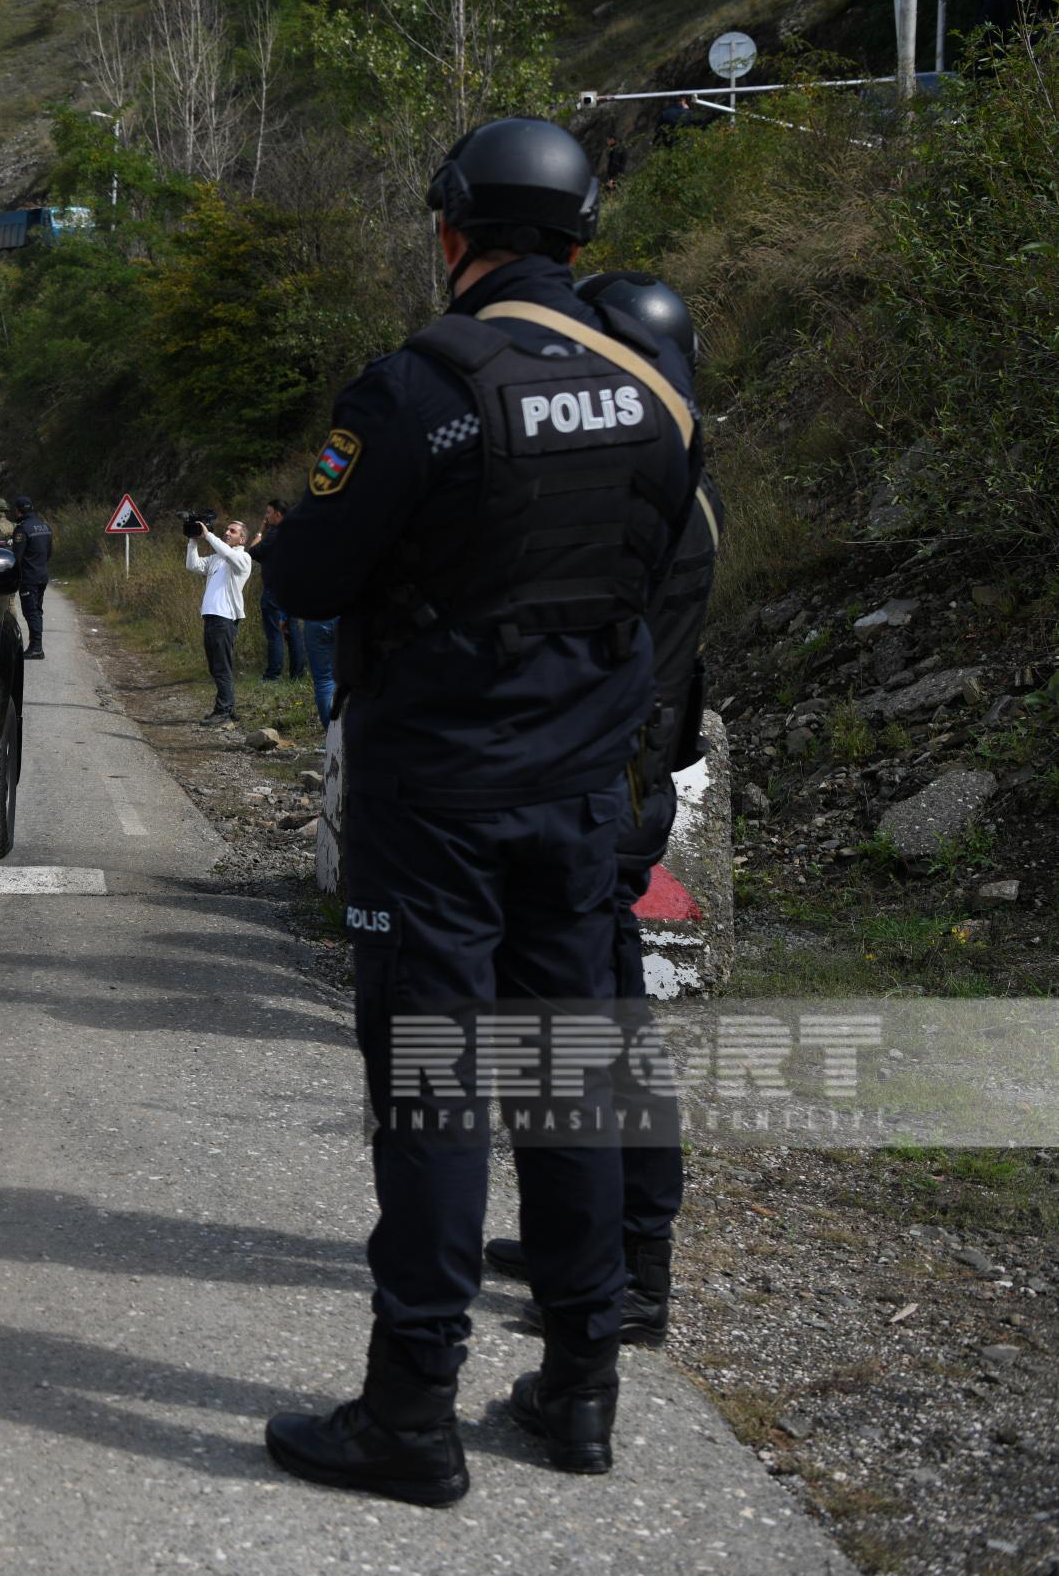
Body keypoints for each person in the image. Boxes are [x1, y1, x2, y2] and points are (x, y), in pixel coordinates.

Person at [257, 117, 701, 1507]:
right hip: (577, 801)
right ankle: (581, 1383)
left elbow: (308, 581)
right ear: (577, 238)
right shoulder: (657, 396)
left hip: (439, 803)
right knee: (570, 1078)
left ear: (454, 229)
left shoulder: (422, 388)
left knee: (438, 1098)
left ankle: (411, 1410)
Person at [485, 272, 723, 1353]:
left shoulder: (662, 491)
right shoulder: (671, 472)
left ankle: (635, 1261)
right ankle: (570, 1233)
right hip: (612, 777)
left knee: (605, 1034)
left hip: (610, 784)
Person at [184, 517, 250, 724]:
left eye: (233, 531)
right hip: (211, 617)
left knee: (222, 666)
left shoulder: (243, 558)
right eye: (226, 530)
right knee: (216, 667)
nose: (227, 533)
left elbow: (229, 554)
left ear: (242, 539)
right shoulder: (216, 558)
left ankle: (223, 710)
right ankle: (226, 708)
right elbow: (192, 565)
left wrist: (209, 535)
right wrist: (193, 540)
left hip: (225, 618)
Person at [253, 501, 303, 681]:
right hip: (292, 588)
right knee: (292, 630)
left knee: (275, 633)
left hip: (274, 591)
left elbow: (253, 551)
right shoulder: (295, 532)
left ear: (278, 515)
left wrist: (260, 531)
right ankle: (297, 674)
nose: (265, 517)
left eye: (268, 513)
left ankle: (273, 674)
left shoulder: (275, 533)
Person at [11, 496, 51, 660]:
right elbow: (49, 553)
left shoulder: (22, 529)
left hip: (29, 578)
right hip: (42, 575)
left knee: (31, 612)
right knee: (37, 610)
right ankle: (36, 646)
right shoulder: (45, 526)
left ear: (18, 510)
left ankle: (36, 648)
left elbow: (16, 557)